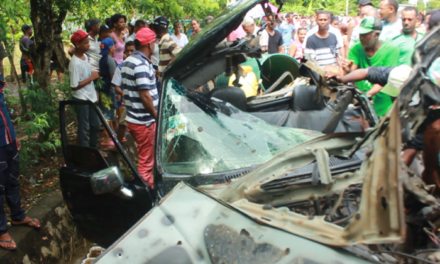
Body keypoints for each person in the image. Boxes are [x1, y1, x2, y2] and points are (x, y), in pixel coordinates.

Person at [0, 42, 41, 251]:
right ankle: (1, 230)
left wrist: (13, 134)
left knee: (12, 179)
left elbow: (3, 109)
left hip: (6, 139)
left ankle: (17, 216)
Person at [121, 27, 158, 188]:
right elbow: (145, 96)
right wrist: (157, 116)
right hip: (144, 121)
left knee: (145, 157)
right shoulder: (141, 64)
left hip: (133, 117)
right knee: (146, 161)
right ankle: (145, 191)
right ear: (149, 44)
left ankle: (148, 184)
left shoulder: (128, 61)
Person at [343, 16, 399, 116]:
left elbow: (386, 78)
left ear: (376, 34)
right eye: (360, 33)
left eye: (365, 34)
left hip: (384, 106)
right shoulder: (355, 48)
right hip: (362, 107)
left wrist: (368, 95)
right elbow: (353, 70)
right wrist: (348, 70)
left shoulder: (391, 50)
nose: (361, 37)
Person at [69, 30, 100, 147]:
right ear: (77, 45)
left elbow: (87, 75)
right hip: (81, 98)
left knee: (96, 125)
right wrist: (92, 78)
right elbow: (74, 86)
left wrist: (94, 92)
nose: (89, 45)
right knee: (84, 126)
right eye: (86, 43)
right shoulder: (75, 63)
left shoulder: (85, 57)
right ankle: (86, 151)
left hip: (90, 96)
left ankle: (93, 148)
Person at [111, 41, 135, 146]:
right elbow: (116, 86)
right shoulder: (120, 67)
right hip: (129, 100)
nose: (129, 53)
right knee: (122, 123)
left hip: (141, 100)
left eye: (132, 51)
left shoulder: (142, 64)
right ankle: (118, 146)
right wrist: (124, 93)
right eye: (127, 51)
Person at [98, 38, 118, 147]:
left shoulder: (102, 59)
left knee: (109, 113)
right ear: (111, 48)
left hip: (103, 89)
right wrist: (118, 91)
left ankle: (112, 134)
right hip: (109, 90)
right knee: (108, 114)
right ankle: (107, 138)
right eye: (114, 46)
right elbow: (113, 77)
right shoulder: (110, 60)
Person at [152, 16, 183, 83]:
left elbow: (182, 53)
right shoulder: (163, 41)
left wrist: (170, 64)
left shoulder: (167, 42)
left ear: (154, 30)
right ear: (167, 29)